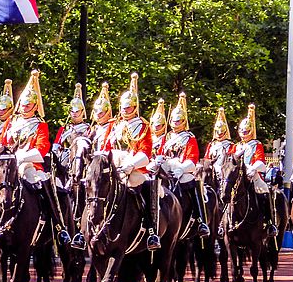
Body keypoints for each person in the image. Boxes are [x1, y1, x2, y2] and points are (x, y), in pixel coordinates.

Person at [1, 69, 73, 247]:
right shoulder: (12, 122)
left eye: (28, 105)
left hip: (30, 164)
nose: (24, 107)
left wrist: (22, 157)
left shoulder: (40, 124)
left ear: (34, 106)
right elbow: (3, 142)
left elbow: (42, 148)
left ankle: (59, 226)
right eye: (23, 104)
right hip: (9, 164)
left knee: (47, 187)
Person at [104, 73, 159, 251]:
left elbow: (145, 151)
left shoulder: (142, 126)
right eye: (122, 107)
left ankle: (151, 230)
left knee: (144, 188)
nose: (124, 110)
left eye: (128, 107)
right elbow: (106, 146)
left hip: (133, 169)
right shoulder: (114, 125)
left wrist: (130, 165)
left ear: (135, 107)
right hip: (114, 167)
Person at [157, 92, 210, 238]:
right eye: (173, 121)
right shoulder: (167, 137)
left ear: (184, 121)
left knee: (192, 183)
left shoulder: (189, 137)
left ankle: (201, 220)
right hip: (167, 169)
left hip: (182, 169)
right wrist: (157, 161)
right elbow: (161, 152)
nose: (175, 123)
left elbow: (192, 158)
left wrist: (182, 168)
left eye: (178, 121)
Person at [53, 83, 91, 250]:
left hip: (81, 168)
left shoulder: (89, 129)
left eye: (77, 111)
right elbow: (57, 146)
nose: (74, 114)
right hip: (63, 168)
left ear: (83, 112)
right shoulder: (63, 130)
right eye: (72, 111)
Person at [232, 104, 278, 236]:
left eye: (246, 132)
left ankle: (269, 222)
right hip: (238, 177)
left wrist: (252, 168)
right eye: (242, 131)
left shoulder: (256, 144)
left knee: (264, 190)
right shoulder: (236, 146)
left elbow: (260, 160)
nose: (243, 134)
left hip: (253, 175)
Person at [204, 107, 233, 181]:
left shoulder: (231, 145)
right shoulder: (211, 145)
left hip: (226, 173)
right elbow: (207, 158)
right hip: (212, 171)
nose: (219, 134)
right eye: (218, 132)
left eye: (221, 133)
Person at [89, 82, 115, 152]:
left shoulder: (113, 127)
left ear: (107, 112)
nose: (98, 115)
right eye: (96, 112)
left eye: (101, 113)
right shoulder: (93, 129)